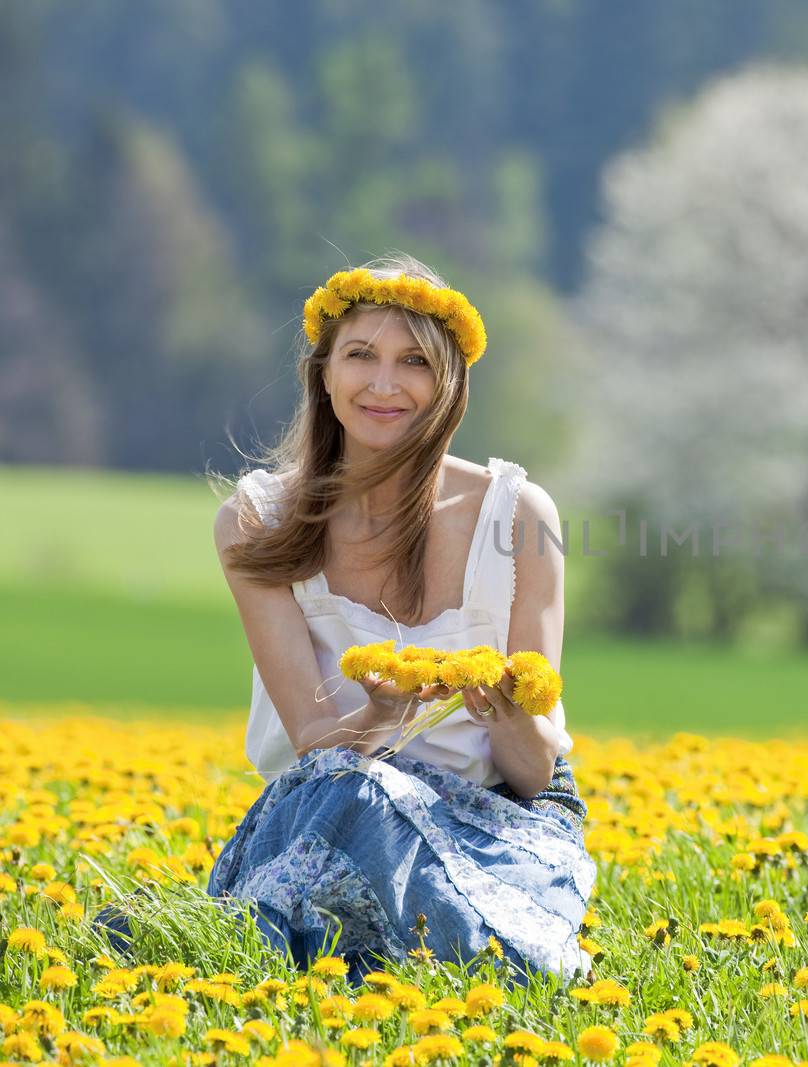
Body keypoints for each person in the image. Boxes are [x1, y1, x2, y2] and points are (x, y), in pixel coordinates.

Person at [94, 252, 596, 987]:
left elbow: (531, 772)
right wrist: (382, 716)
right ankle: (450, 953)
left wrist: (510, 718)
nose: (385, 384)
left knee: (361, 846)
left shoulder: (519, 518)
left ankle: (291, 946)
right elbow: (313, 745)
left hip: (497, 820)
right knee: (356, 792)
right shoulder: (257, 521)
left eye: (415, 362)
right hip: (332, 803)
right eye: (361, 356)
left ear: (450, 382)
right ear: (324, 373)